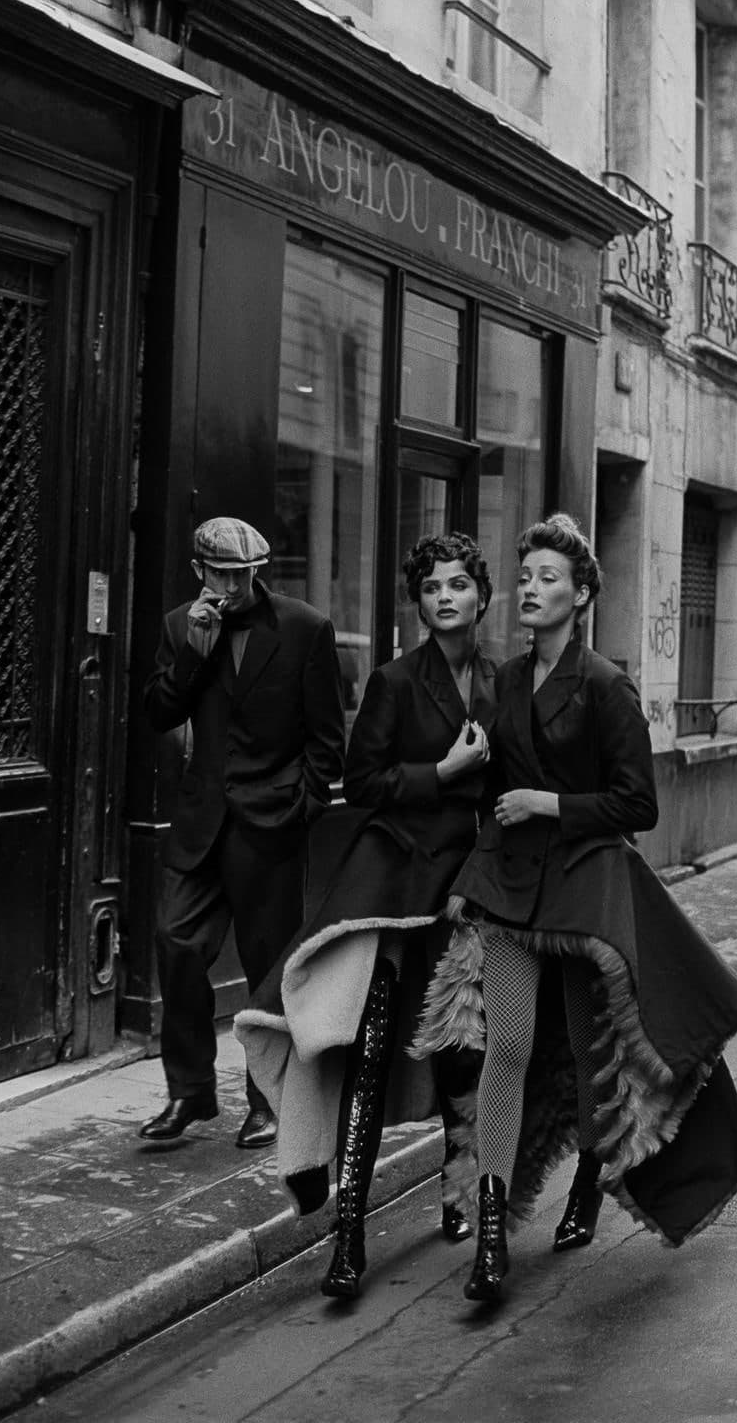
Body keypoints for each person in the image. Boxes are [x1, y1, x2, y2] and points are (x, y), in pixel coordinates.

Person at [412, 513, 737, 1303]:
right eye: (526, 576)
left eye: (548, 578)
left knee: (589, 1050)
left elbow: (639, 805)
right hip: (508, 888)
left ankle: (588, 1189)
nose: (531, 589)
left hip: (582, 894)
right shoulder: (503, 681)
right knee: (507, 1046)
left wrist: (548, 804)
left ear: (582, 595)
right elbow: (489, 780)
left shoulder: (606, 685)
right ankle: (492, 1231)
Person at [234, 532, 498, 1300]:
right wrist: (442, 771)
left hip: (469, 890)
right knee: (371, 1049)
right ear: (418, 603)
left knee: (463, 1051)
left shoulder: (505, 683)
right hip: (393, 885)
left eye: (457, 584)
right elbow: (364, 780)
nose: (444, 597)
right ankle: (347, 1234)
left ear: (482, 596)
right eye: (431, 588)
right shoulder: (394, 681)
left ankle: (457, 1194)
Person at [139, 516, 345, 1150]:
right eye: (221, 574)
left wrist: (302, 807)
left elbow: (327, 738)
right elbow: (158, 712)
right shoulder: (181, 625)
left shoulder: (305, 627)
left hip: (272, 825)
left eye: (244, 574)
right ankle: (189, 1092)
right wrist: (194, 654)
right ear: (198, 571)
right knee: (175, 942)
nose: (233, 586)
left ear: (258, 570)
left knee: (268, 968)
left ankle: (268, 1100)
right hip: (200, 823)